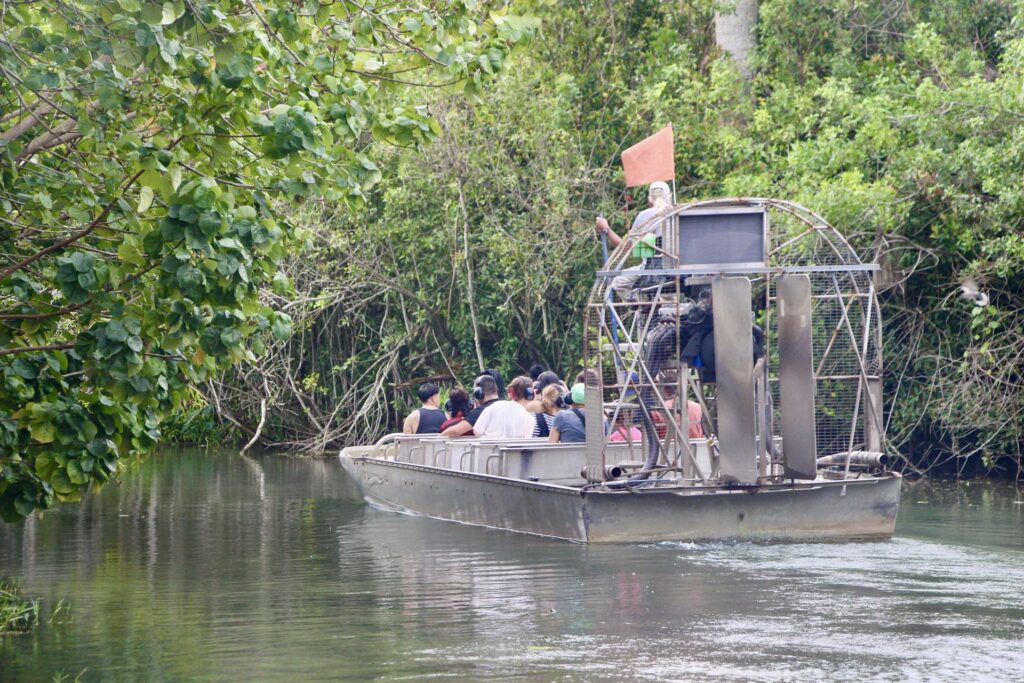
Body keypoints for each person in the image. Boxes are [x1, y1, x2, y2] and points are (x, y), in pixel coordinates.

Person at [595, 181, 673, 302]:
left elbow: (631, 249)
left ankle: (641, 304)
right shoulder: (680, 214)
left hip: (653, 271)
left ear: (649, 199)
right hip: (681, 271)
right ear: (670, 196)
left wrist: (606, 229)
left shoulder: (646, 216)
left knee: (618, 282)